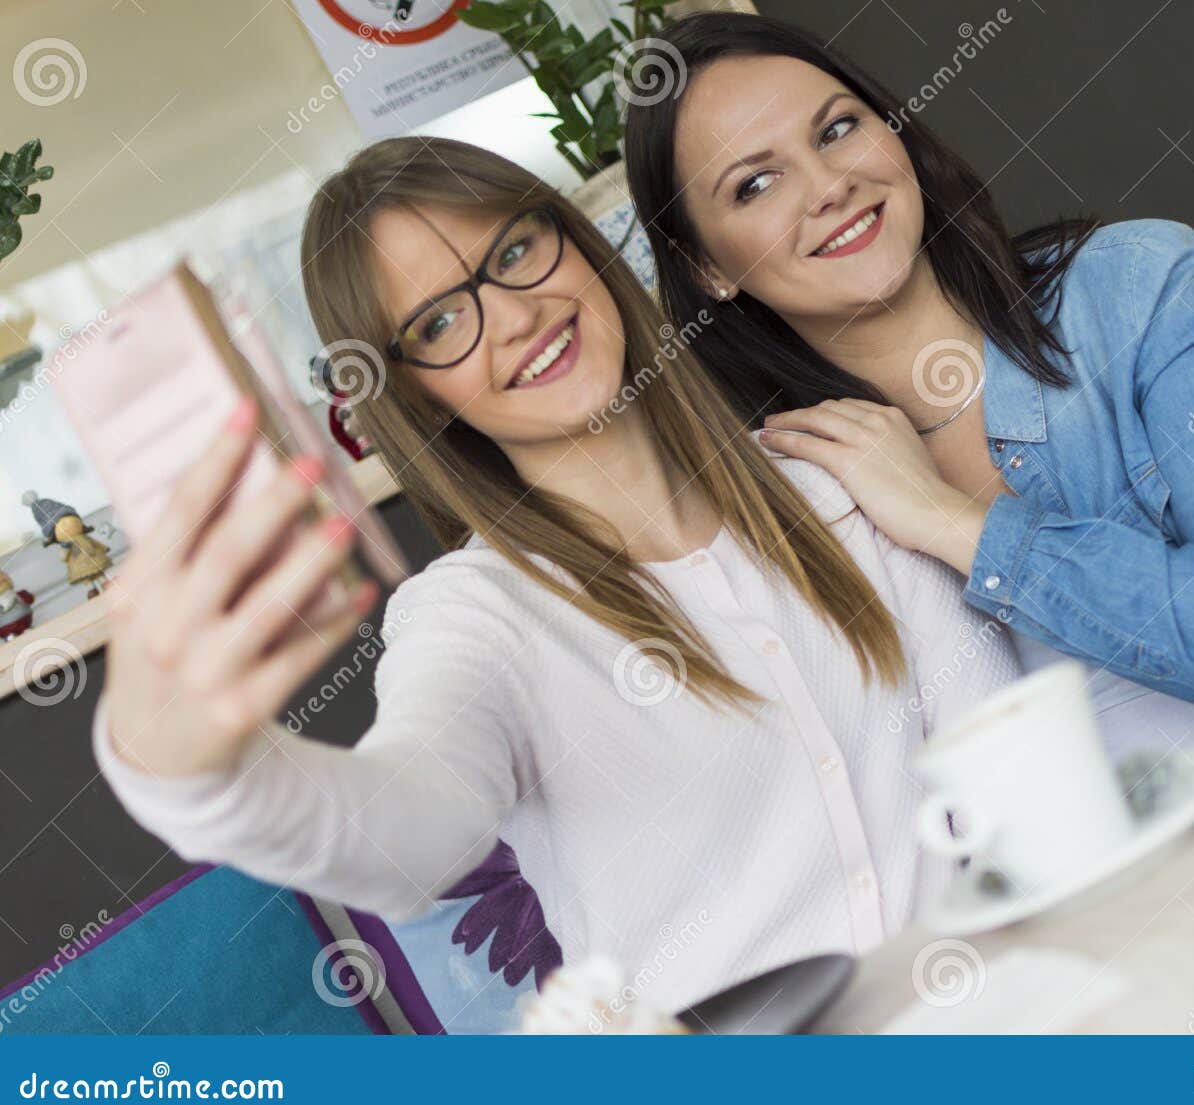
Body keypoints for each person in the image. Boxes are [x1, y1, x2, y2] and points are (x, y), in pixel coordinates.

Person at [92, 136, 1020, 1013]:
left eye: (514, 252)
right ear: (413, 391)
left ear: (577, 245)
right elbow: (413, 834)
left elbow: (1003, 765)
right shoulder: (472, 616)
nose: (516, 315)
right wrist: (188, 773)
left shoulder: (827, 478)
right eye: (441, 321)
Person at [623, 11, 1194, 729]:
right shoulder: (781, 489)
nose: (831, 185)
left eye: (836, 129)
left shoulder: (1135, 288)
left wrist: (953, 521)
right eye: (756, 183)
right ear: (705, 266)